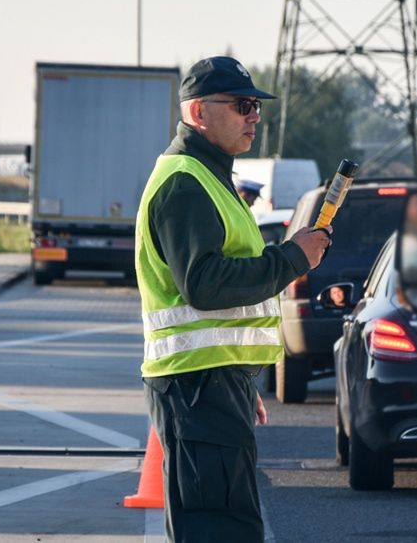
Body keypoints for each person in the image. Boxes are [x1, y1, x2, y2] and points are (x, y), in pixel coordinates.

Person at [136, 55, 332, 542]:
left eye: (256, 107)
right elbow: (204, 284)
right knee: (220, 528)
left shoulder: (208, 175)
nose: (254, 117)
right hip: (198, 387)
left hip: (213, 383)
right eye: (242, 105)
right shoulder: (186, 182)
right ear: (198, 112)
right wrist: (292, 259)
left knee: (226, 523)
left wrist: (240, 377)